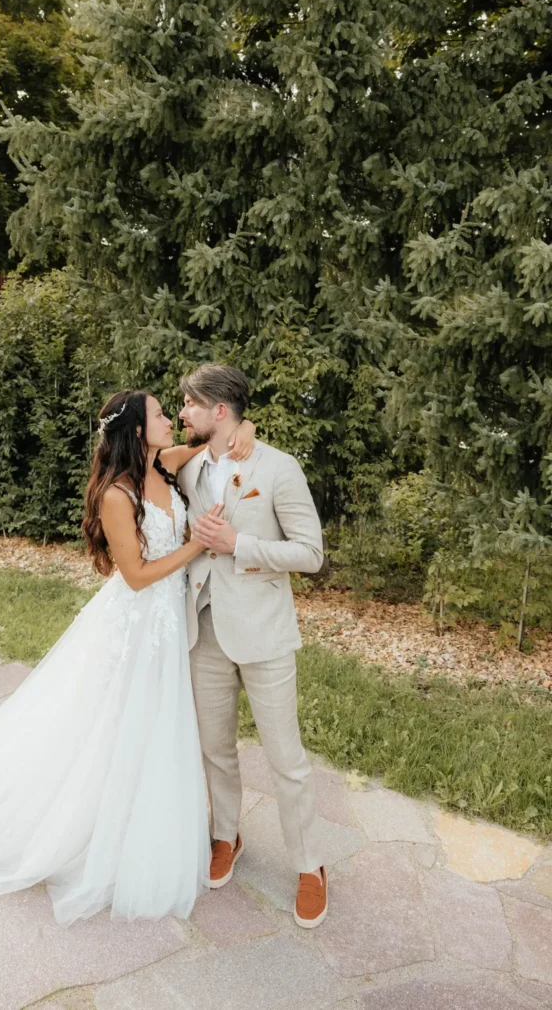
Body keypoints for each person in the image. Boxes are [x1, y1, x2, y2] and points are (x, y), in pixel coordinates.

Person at [0, 390, 255, 926]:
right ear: (133, 429)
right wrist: (198, 544)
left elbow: (211, 441)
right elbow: (137, 575)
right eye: (157, 414)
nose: (169, 420)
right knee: (113, 724)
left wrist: (248, 427)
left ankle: (146, 819)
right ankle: (94, 825)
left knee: (157, 724)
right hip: (136, 624)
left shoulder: (165, 465)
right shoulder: (118, 496)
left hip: (169, 626)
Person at [177, 363, 328, 929]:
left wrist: (240, 543)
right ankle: (226, 834)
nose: (183, 412)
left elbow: (310, 554)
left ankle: (310, 865)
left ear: (219, 410)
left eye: (190, 404)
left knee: (286, 757)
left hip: (262, 629)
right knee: (215, 746)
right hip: (204, 626)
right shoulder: (187, 466)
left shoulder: (278, 467)